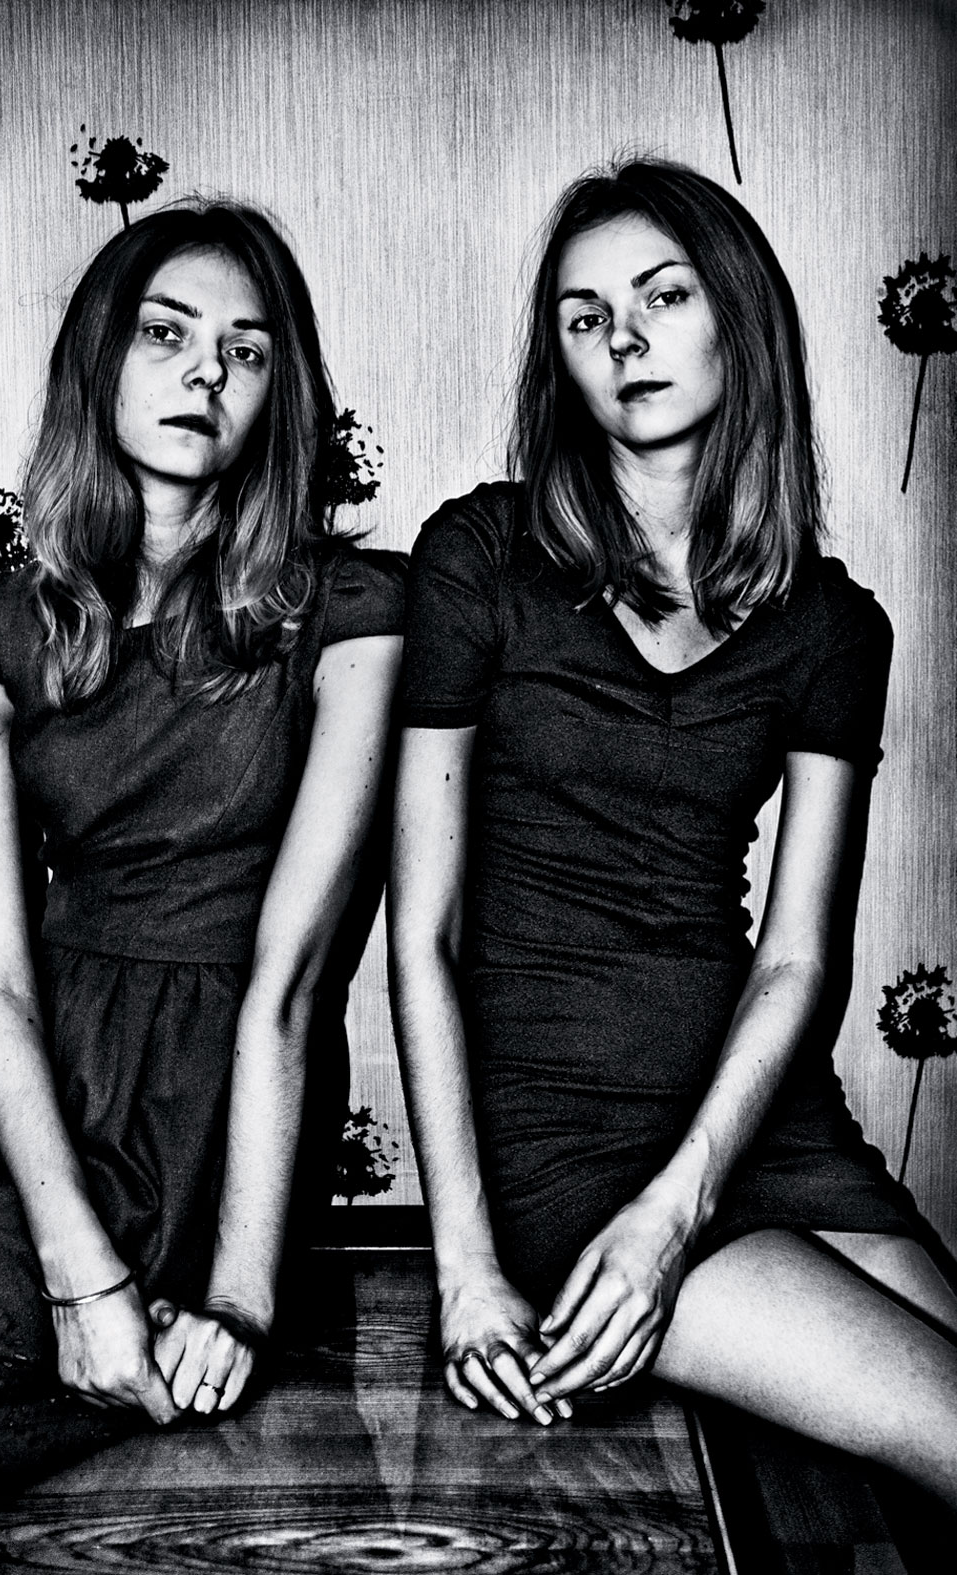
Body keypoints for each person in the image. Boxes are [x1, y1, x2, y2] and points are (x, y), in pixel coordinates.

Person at [391, 160, 957, 1504]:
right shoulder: (478, 558)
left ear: (736, 320)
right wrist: (465, 1263)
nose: (624, 339)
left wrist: (689, 1193)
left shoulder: (832, 627)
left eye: (662, 297)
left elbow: (797, 956)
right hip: (566, 1150)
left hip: (761, 1128)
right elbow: (423, 933)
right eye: (584, 316)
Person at [0, 201, 404, 1473]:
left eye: (246, 350)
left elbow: (294, 979)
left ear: (277, 395)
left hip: (218, 1121)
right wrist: (77, 1272)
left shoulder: (351, 613)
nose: (207, 374)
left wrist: (240, 1294)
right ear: (99, 362)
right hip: (20, 1124)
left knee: (153, 1403)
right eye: (166, 334)